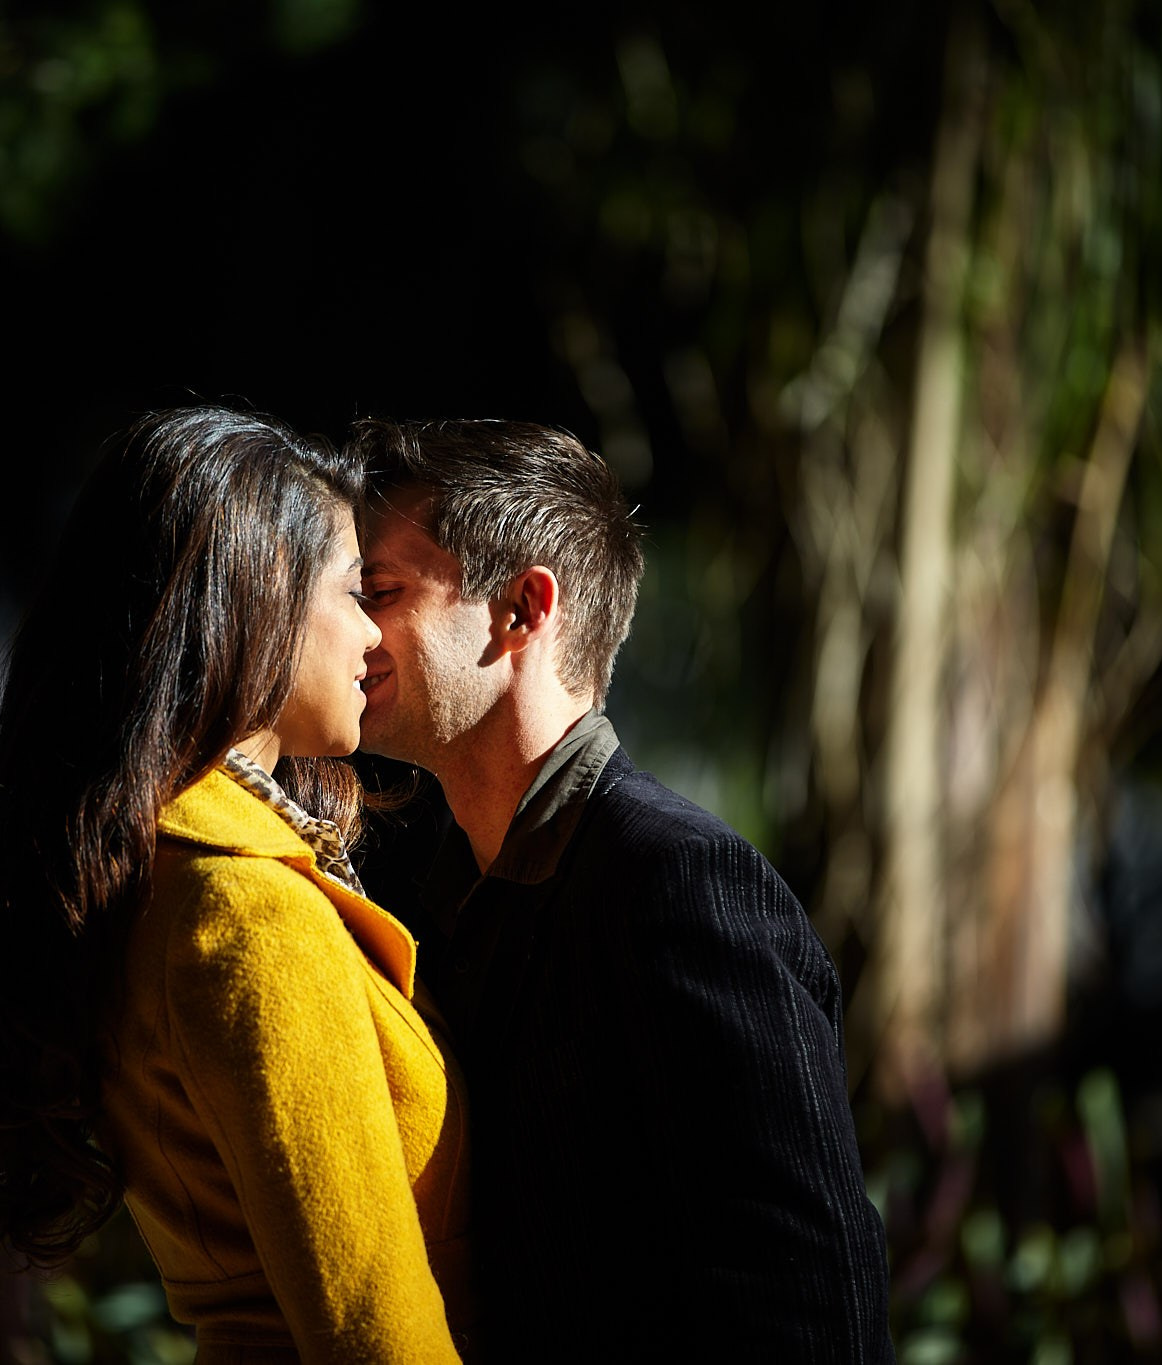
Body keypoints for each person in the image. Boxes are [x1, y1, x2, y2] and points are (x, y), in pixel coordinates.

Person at [0, 408, 475, 1362]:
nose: (375, 633)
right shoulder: (251, 917)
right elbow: (375, 1335)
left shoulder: (163, 870)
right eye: (354, 588)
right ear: (258, 599)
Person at [348, 418, 894, 1361]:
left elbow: (814, 1305)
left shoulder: (681, 884)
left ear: (521, 611)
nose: (353, 626)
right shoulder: (438, 891)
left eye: (383, 590)